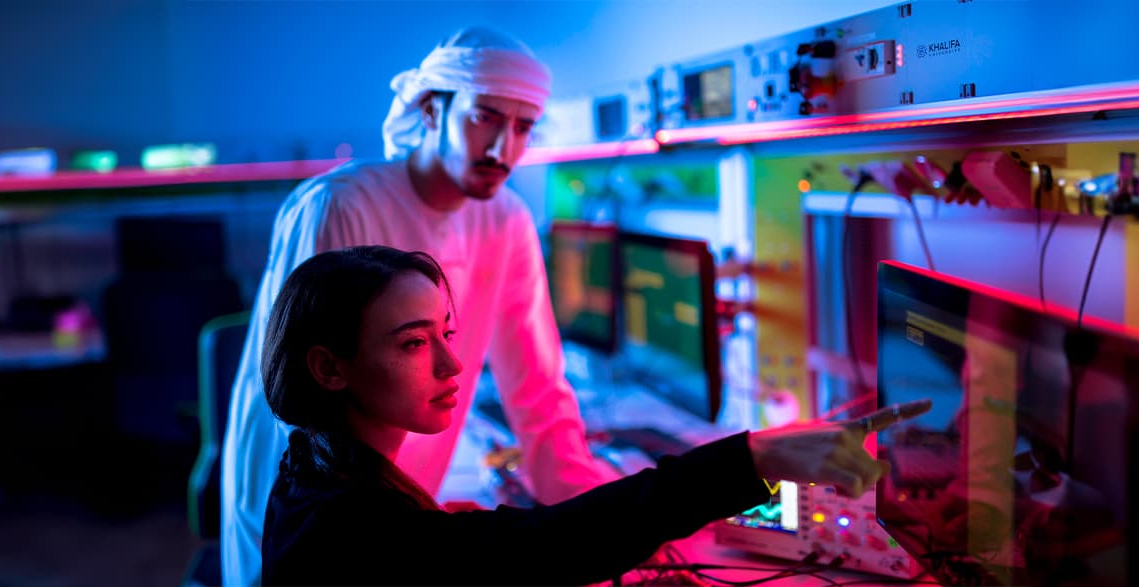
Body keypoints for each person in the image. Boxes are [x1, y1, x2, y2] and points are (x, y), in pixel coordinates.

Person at [260, 245, 917, 585]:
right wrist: (757, 457)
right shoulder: (350, 525)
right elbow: (550, 548)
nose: (452, 366)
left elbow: (468, 555)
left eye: (447, 333)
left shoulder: (312, 467)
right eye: (411, 343)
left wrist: (447, 533)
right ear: (328, 367)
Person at [221, 26, 617, 586]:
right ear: (432, 110)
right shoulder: (340, 205)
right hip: (311, 519)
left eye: (523, 127)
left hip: (402, 508)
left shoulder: (506, 221)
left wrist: (598, 524)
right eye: (486, 117)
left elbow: (539, 391)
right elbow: (306, 415)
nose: (504, 149)